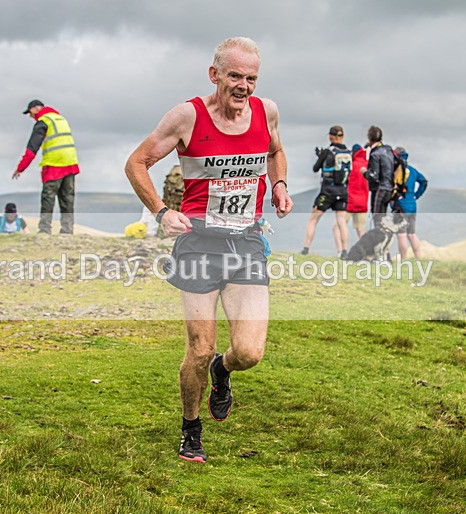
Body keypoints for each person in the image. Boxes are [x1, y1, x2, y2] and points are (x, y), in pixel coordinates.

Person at [124, 37, 292, 463]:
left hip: (246, 243)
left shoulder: (265, 111)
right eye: (234, 76)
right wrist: (161, 212)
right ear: (214, 74)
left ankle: (224, 370)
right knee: (198, 349)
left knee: (250, 352)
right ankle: (191, 428)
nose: (244, 86)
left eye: (251, 78)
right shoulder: (187, 117)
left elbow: (275, 150)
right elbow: (137, 162)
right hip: (198, 243)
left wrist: (278, 184)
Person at [13, 99, 80, 234]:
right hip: (70, 163)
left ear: (35, 109)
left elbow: (32, 149)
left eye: (30, 113)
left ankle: (44, 229)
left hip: (54, 165)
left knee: (48, 198)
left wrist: (20, 168)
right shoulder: (61, 119)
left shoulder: (44, 122)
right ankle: (67, 230)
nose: (30, 116)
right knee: (67, 199)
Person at [300, 126, 351, 258]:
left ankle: (305, 249)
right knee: (341, 221)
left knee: (313, 219)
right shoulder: (348, 152)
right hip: (343, 190)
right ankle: (345, 251)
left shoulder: (328, 152)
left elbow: (315, 168)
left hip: (327, 191)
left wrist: (320, 157)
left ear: (331, 136)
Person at [392, 147, 428, 259]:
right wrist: (416, 195)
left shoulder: (396, 171)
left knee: (401, 235)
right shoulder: (412, 170)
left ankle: (404, 260)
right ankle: (418, 258)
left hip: (400, 206)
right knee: (412, 234)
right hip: (412, 205)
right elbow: (424, 181)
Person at [362, 125, 395, 226]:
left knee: (377, 219)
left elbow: (374, 176)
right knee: (383, 218)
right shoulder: (389, 151)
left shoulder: (375, 154)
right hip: (389, 189)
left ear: (369, 138)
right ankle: (383, 239)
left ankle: (378, 240)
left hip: (379, 189)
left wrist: (364, 172)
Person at [346, 144, 369, 239]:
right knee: (361, 229)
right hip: (363, 202)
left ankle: (342, 251)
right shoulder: (368, 164)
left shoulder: (351, 165)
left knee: (339, 226)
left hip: (350, 201)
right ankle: (366, 251)